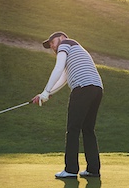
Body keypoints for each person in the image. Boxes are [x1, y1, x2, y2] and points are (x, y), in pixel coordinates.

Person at [31, 31, 103, 179]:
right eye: (50, 45)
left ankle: (70, 169)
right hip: (96, 89)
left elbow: (58, 69)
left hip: (82, 88)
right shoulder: (75, 50)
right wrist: (46, 94)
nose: (52, 46)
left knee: (73, 129)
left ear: (61, 38)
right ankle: (93, 169)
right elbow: (63, 77)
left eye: (52, 42)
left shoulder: (66, 44)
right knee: (88, 129)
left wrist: (45, 92)